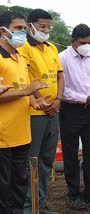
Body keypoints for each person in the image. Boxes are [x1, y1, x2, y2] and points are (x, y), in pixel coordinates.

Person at [0, 11, 49, 214]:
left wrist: (34, 101)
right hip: (3, 137)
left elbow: (22, 86)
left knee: (19, 186)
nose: (22, 33)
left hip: (22, 134)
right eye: (18, 29)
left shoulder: (19, 57)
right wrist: (27, 92)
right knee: (4, 190)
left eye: (22, 28)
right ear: (3, 31)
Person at [17, 9, 65, 214]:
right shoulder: (23, 48)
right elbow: (24, 80)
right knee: (32, 161)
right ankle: (29, 207)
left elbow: (60, 76)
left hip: (53, 111)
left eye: (48, 27)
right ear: (30, 26)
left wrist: (58, 101)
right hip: (34, 113)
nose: (46, 30)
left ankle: (41, 204)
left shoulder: (52, 48)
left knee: (47, 161)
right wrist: (40, 101)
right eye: (42, 26)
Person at [59, 24, 90, 210]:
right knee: (70, 154)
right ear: (73, 41)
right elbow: (62, 90)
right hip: (70, 111)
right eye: (83, 43)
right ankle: (73, 194)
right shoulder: (62, 59)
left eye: (89, 43)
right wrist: (85, 98)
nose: (87, 46)